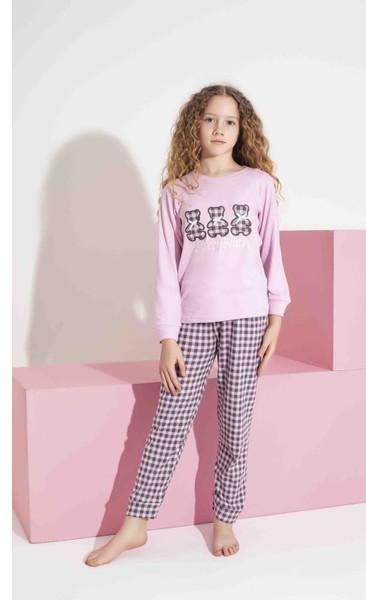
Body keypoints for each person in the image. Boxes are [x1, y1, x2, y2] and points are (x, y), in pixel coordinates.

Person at [85, 84, 291, 567]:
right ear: (194, 126)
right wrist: (167, 336)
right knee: (168, 425)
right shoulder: (177, 192)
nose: (219, 129)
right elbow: (164, 269)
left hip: (248, 318)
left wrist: (276, 316)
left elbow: (271, 254)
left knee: (235, 425)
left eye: (230, 121)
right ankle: (136, 525)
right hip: (193, 322)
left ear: (242, 130)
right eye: (210, 119)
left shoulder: (257, 184)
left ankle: (225, 518)